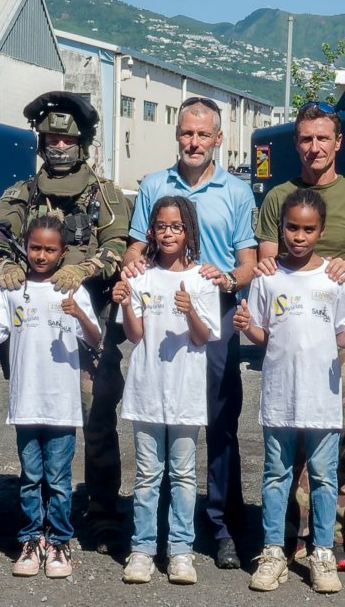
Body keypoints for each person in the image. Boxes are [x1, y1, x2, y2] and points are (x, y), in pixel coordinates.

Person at [0, 91, 130, 551]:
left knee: (97, 421)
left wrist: (87, 269)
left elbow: (119, 245)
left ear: (82, 142)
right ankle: (38, 520)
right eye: (51, 138)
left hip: (88, 328)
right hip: (34, 329)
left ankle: (102, 513)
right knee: (37, 423)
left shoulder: (104, 194)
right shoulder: (22, 193)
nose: (59, 146)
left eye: (67, 139)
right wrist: (3, 268)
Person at [118, 97, 259, 569]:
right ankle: (153, 533)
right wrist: (132, 267)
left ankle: (220, 526)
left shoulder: (236, 191)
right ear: (177, 135)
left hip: (212, 310)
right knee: (162, 413)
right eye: (186, 133)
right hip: (160, 307)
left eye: (202, 134)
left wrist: (228, 279)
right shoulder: (154, 185)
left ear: (219, 138)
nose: (193, 142)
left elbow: (248, 263)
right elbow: (135, 247)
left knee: (218, 420)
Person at [252, 103, 345, 566]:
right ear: (296, 142)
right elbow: (268, 263)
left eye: (323, 138)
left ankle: (333, 533)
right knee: (290, 433)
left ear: (338, 142)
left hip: (339, 326)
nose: (314, 147)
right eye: (306, 138)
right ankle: (287, 533)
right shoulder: (278, 197)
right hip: (290, 324)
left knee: (339, 433)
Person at [238, 189, 345, 595]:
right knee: (276, 474)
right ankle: (274, 551)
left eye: (309, 229)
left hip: (322, 397)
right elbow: (262, 335)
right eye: (292, 227)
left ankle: (321, 552)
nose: (300, 236)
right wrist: (246, 326)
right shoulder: (267, 277)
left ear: (321, 231)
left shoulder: (334, 278)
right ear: (281, 228)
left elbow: (341, 333)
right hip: (280, 395)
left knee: (324, 476)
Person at [0, 217, 101, 580]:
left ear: (63, 253)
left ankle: (60, 540)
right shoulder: (12, 290)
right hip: (26, 402)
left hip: (62, 404)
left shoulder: (72, 290)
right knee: (31, 476)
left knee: (59, 479)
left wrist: (79, 314)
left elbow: (96, 339)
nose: (41, 255)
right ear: (25, 248)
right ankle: (32, 539)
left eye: (50, 249)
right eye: (35, 248)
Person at [117, 196, 222, 586]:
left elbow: (203, 337)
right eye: (161, 226)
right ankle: (142, 549)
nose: (168, 233)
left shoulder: (202, 280)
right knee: (147, 475)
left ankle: (180, 550)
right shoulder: (139, 277)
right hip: (146, 391)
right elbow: (135, 335)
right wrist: (126, 304)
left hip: (184, 393)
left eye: (177, 226)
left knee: (183, 474)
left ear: (189, 231)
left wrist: (189, 308)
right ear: (151, 231)